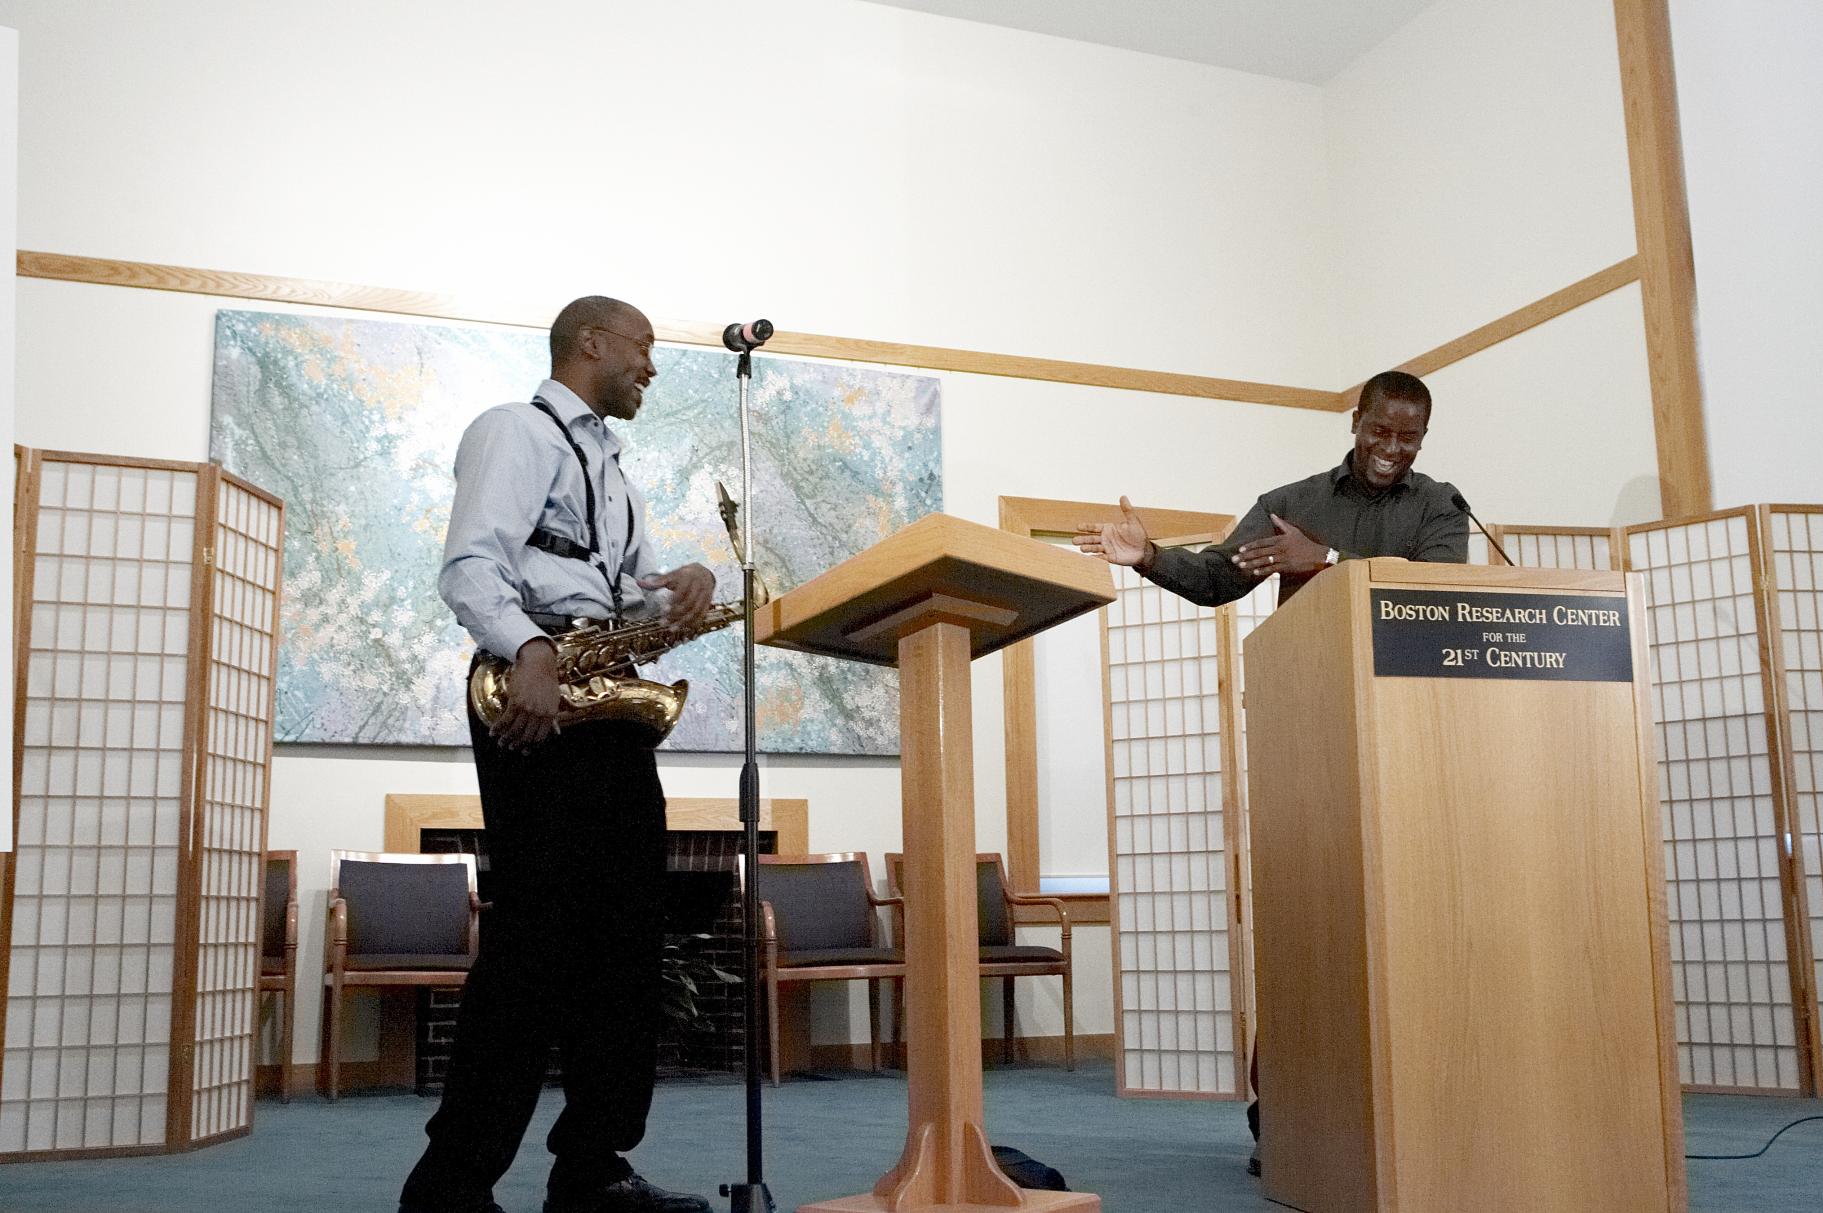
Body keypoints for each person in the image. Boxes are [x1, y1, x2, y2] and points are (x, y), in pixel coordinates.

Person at [1072, 368, 1467, 1175]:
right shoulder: (1291, 499)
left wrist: (1326, 558)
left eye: (1408, 438)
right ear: (1353, 419)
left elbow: (1442, 594)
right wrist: (1148, 555)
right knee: (1306, 929)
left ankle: (1414, 1107)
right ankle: (1284, 1113)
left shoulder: (1439, 504)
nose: (1392, 450)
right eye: (1380, 431)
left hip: (1413, 740)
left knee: (1409, 931)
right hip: (1308, 734)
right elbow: (1220, 579)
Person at [399, 296, 718, 1213]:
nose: (651, 367)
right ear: (592, 343)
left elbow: (628, 607)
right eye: (644, 348)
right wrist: (528, 650)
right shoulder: (515, 431)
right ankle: (450, 1186)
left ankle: (593, 1169)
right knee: (534, 944)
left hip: (603, 699)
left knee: (625, 946)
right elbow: (470, 566)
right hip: (534, 688)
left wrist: (682, 591)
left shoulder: (616, 471)